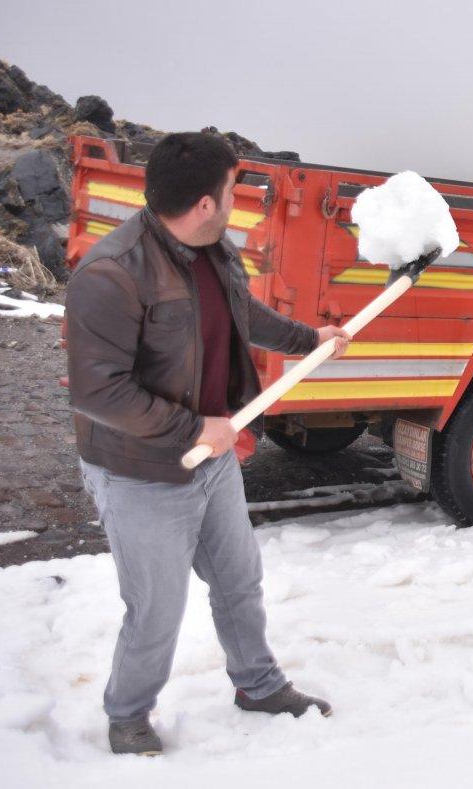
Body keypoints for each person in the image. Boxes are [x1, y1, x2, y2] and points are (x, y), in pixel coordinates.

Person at [65, 132, 351, 756]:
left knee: (238, 578)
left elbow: (242, 312)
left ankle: (258, 685)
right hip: (141, 468)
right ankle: (129, 713)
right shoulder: (113, 272)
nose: (236, 200)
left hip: (212, 460)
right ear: (202, 203)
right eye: (231, 191)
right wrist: (193, 428)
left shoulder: (215, 249)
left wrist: (310, 339)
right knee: (156, 607)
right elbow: (96, 392)